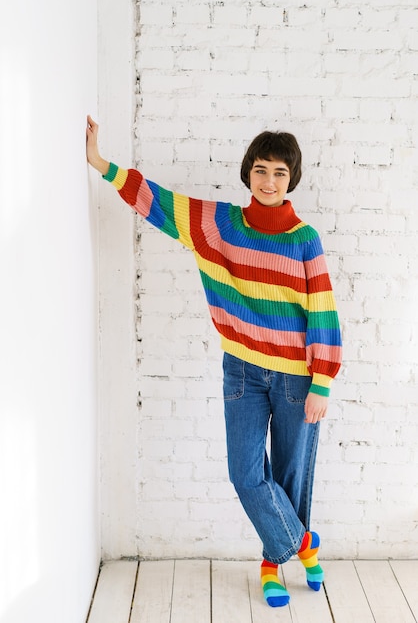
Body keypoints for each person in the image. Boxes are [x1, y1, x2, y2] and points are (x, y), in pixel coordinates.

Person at [86, 116, 342, 608]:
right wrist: (102, 164)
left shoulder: (304, 239)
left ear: (292, 180)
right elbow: (159, 203)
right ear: (248, 173)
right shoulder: (219, 224)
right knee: (246, 473)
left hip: (296, 377)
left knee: (291, 474)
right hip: (242, 371)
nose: (269, 182)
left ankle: (272, 562)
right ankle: (302, 544)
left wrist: (322, 381)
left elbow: (323, 310)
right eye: (261, 170)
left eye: (280, 174)